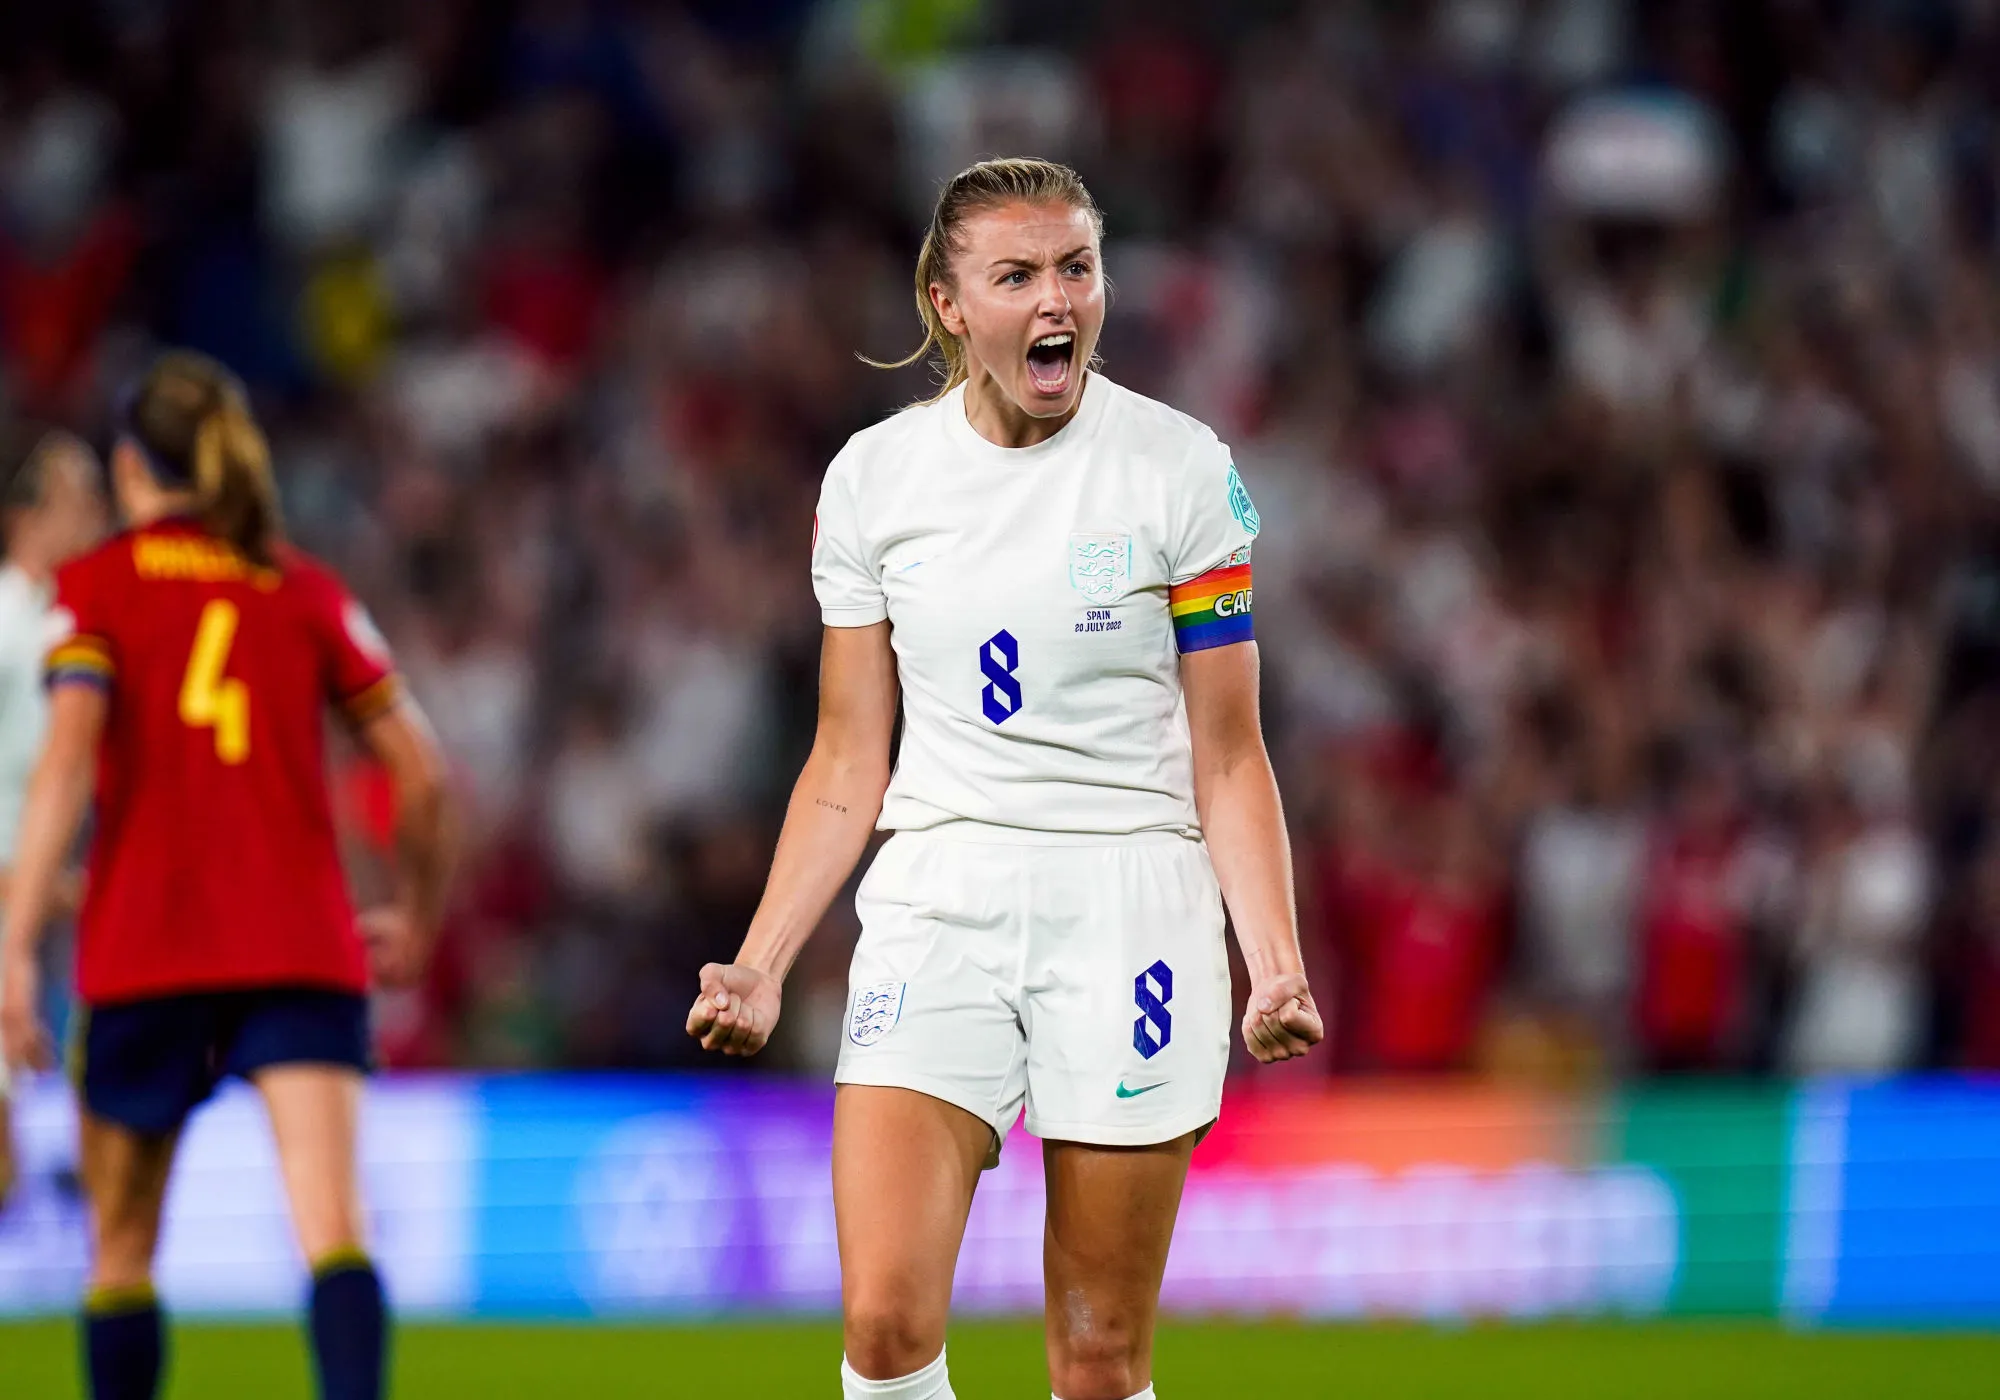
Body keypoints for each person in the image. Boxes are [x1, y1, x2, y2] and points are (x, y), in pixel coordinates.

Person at [686, 158, 1323, 1400]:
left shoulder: (1178, 469)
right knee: (880, 1322)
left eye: (1076, 268)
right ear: (946, 303)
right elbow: (845, 755)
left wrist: (1275, 957)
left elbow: (1228, 750)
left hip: (1129, 899)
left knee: (1093, 1358)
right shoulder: (873, 480)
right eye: (1017, 275)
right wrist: (760, 958)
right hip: (939, 895)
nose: (1055, 301)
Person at [0, 352, 452, 1400]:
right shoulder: (303, 590)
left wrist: (15, 947)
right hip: (298, 943)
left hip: (143, 946)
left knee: (120, 1252)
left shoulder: (96, 589)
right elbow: (421, 776)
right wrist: (416, 916)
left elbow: (64, 767)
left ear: (127, 466)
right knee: (334, 1225)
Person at [0, 428, 108, 1209]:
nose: (93, 517)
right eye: (77, 499)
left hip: (38, 913)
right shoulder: (6, 623)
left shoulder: (70, 628)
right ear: (25, 516)